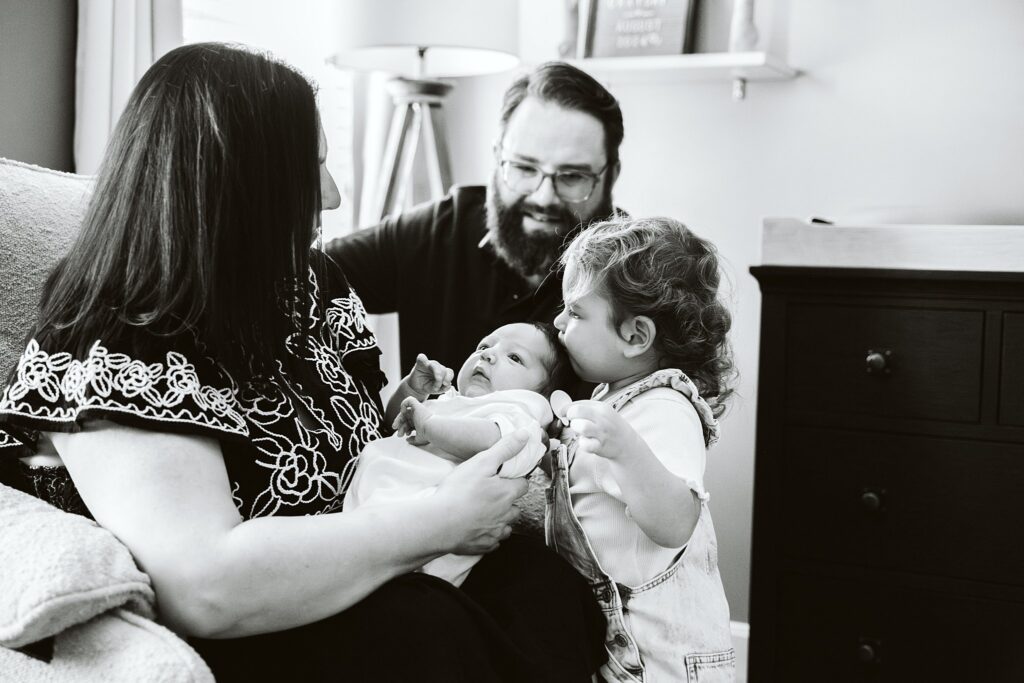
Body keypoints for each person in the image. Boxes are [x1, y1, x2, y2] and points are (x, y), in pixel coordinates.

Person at [0, 43, 605, 682]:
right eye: (312, 166)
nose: (335, 195)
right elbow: (205, 584)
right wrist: (439, 521)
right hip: (263, 614)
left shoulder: (309, 284)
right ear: (240, 182)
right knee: (421, 626)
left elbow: (360, 439)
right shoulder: (118, 338)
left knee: (544, 586)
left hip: (366, 555)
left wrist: (407, 406)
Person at [325, 61, 624, 382]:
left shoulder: (638, 274)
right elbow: (299, 276)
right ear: (497, 159)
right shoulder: (440, 229)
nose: (543, 197)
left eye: (572, 176)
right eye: (524, 168)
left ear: (611, 177)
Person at [549, 216, 738, 682]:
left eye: (574, 312)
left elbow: (675, 522)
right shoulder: (612, 396)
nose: (558, 322)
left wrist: (625, 448)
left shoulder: (665, 407)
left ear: (635, 336)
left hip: (665, 659)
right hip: (620, 641)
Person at [345, 321, 575, 586]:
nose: (488, 354)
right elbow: (393, 425)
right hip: (373, 516)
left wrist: (431, 426)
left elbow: (493, 440)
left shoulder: (522, 413)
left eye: (514, 357)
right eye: (484, 346)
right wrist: (412, 392)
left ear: (543, 394)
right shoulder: (451, 401)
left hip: (427, 545)